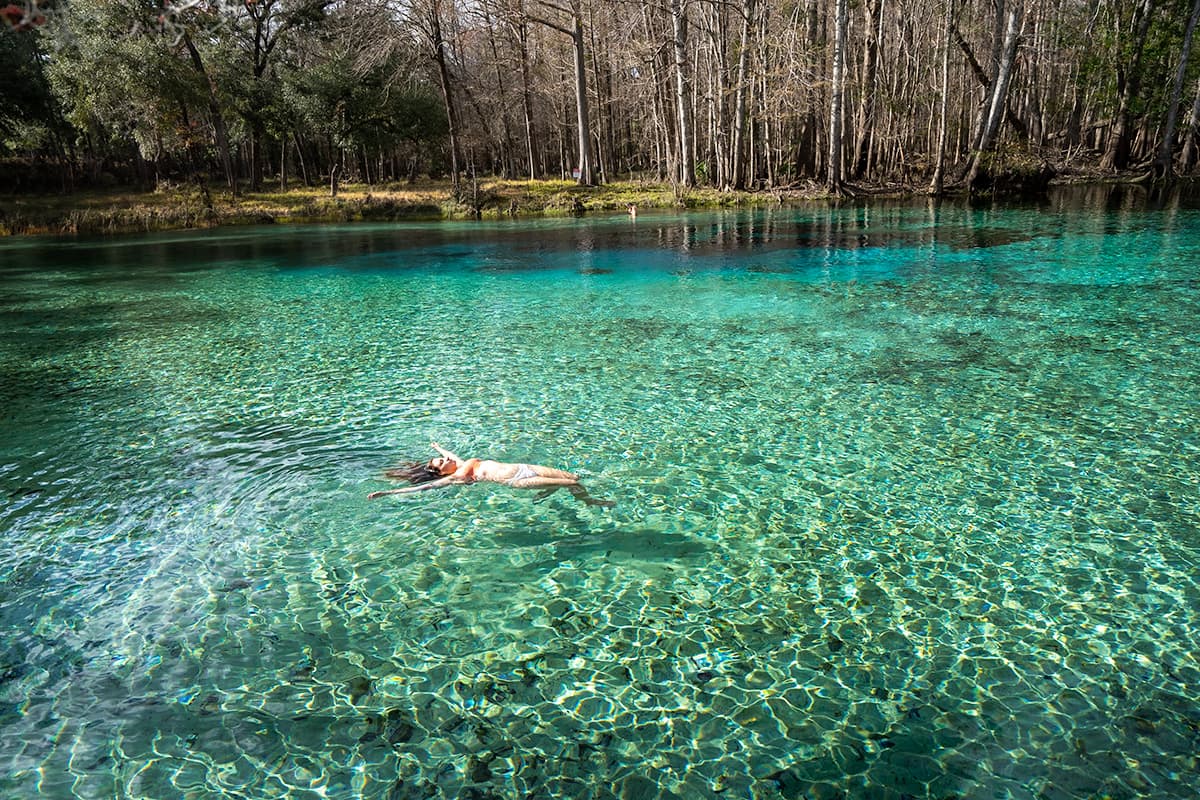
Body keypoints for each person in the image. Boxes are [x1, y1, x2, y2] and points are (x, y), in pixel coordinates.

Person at [367, 443, 615, 507]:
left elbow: (452, 454)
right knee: (573, 482)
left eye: (444, 459)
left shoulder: (463, 464)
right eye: (442, 462)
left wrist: (437, 448)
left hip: (524, 466)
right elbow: (421, 489)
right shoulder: (457, 477)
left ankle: (549, 490)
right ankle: (591, 502)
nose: (447, 460)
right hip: (518, 480)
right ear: (442, 473)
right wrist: (387, 492)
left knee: (572, 476)